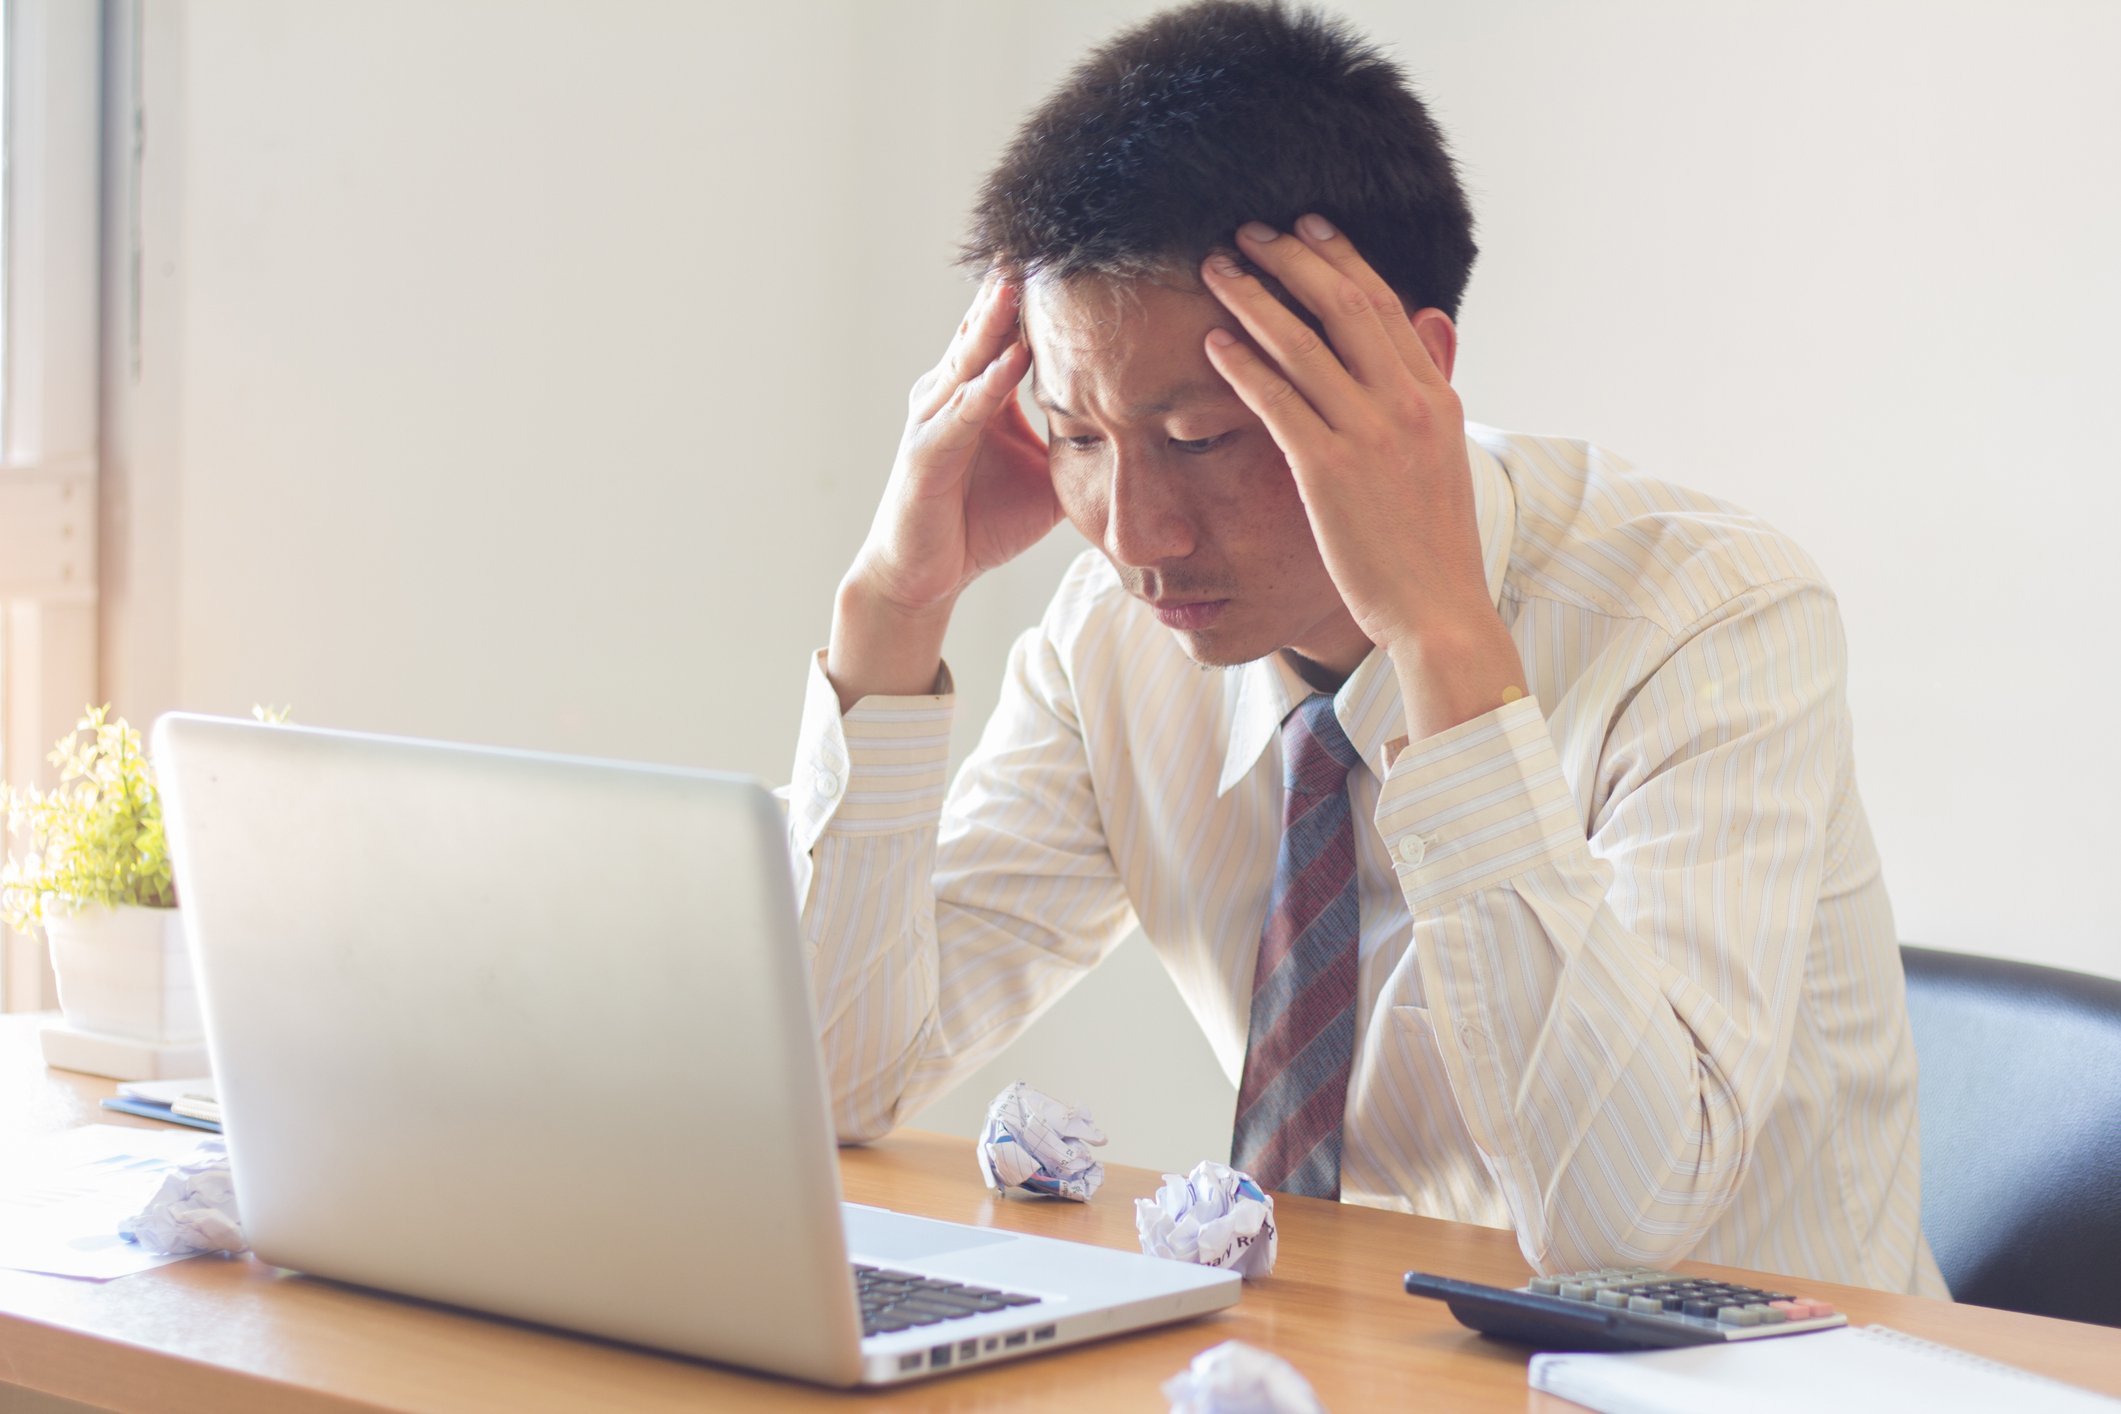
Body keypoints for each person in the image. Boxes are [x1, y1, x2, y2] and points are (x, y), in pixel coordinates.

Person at [783, 0, 1947, 1296]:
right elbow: (829, 1081)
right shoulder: (1110, 640)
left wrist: (1440, 638)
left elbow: (1615, 1224)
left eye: (1201, 438)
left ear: (1411, 377)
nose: (1134, 531)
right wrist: (894, 606)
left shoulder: (1709, 622)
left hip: (1758, 1367)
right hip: (1357, 1359)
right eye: (1077, 436)